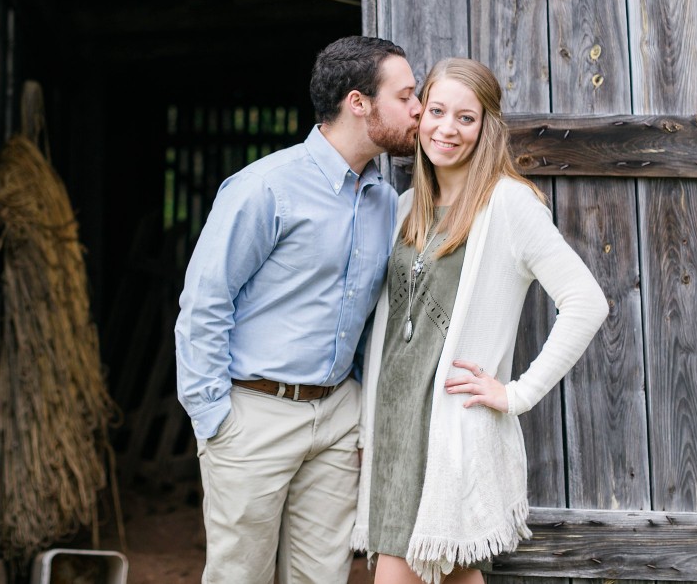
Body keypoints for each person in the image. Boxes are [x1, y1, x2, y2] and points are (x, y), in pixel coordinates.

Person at [175, 35, 423, 583]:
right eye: (406, 96)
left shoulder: (385, 199)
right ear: (359, 103)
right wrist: (214, 418)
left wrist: (358, 410)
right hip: (253, 414)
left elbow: (368, 317)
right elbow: (204, 302)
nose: (419, 109)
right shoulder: (264, 188)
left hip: (336, 416)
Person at [351, 58, 608, 584]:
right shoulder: (405, 208)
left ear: (486, 128)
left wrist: (517, 394)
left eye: (465, 118)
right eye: (438, 111)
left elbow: (586, 302)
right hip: (396, 430)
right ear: (419, 116)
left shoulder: (508, 204)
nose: (447, 128)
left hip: (449, 433)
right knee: (456, 577)